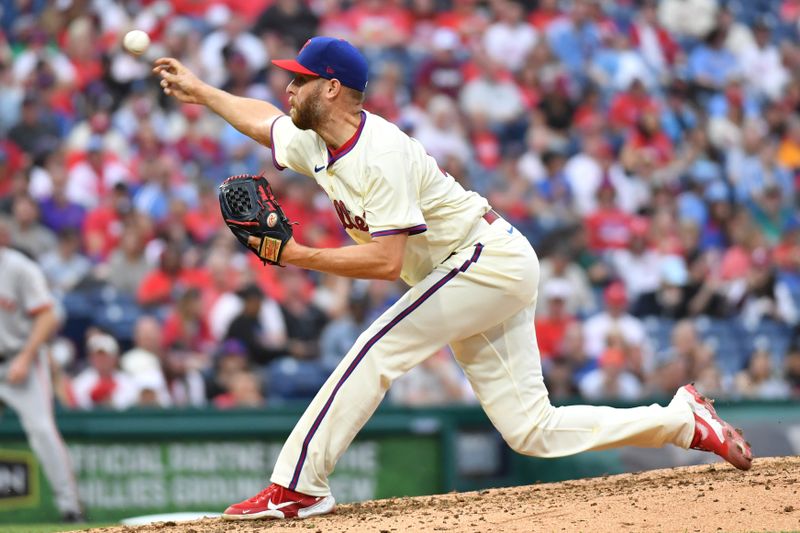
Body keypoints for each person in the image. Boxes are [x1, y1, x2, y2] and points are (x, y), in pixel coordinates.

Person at [153, 36, 752, 521]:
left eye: (300, 78)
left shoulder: (379, 152)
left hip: (483, 259)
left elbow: (387, 264)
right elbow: (263, 123)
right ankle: (683, 421)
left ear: (331, 88)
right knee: (532, 431)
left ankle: (298, 486)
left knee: (375, 348)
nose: (288, 86)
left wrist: (297, 255)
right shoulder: (315, 139)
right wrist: (201, 91)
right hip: (478, 267)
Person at [0, 219, 83, 522]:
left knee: (42, 432)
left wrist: (24, 356)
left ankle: (71, 508)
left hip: (20, 357)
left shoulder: (20, 268)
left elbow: (47, 317)